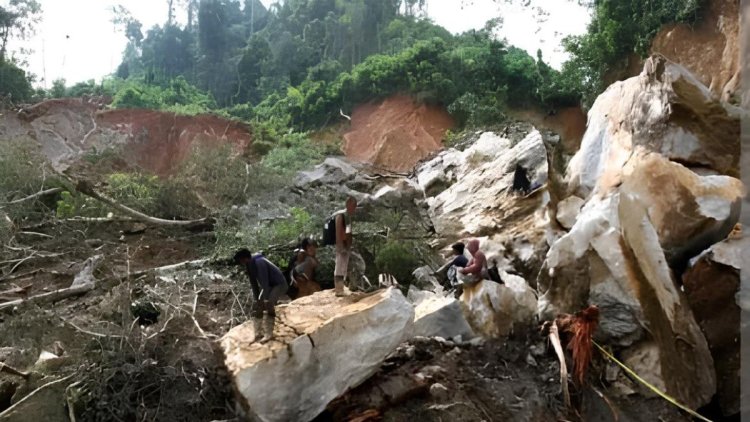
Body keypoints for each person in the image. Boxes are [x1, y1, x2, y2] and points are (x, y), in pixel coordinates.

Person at [233, 248, 289, 344]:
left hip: (279, 284)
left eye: (241, 261)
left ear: (245, 258)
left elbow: (264, 283)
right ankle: (258, 333)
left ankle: (269, 333)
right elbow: (253, 283)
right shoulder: (249, 265)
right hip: (269, 286)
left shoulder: (259, 262)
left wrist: (265, 300)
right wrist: (257, 299)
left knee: (269, 304)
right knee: (257, 307)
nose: (241, 263)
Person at [333, 196, 357, 296]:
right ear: (348, 204)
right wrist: (341, 246)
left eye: (355, 206)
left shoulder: (348, 217)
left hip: (345, 246)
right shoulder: (341, 216)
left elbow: (348, 232)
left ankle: (342, 287)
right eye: (353, 205)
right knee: (339, 266)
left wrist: (348, 245)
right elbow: (338, 232)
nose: (354, 208)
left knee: (343, 267)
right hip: (341, 245)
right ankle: (338, 290)